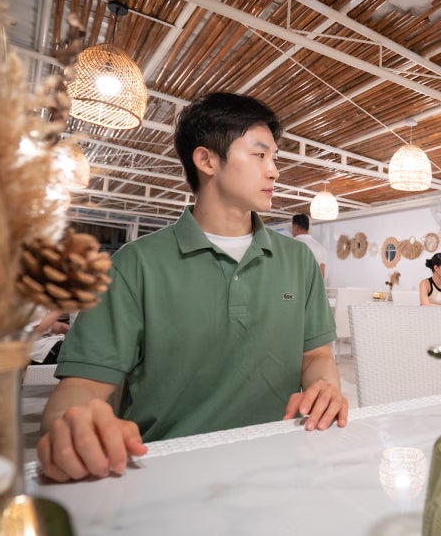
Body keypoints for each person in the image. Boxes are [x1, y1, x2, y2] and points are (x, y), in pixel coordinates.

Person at [38, 92, 348, 482]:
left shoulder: (298, 260)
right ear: (206, 161)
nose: (274, 171)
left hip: (283, 463)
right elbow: (82, 387)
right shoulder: (135, 264)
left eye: (274, 158)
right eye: (259, 155)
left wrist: (324, 385)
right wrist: (73, 425)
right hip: (164, 472)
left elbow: (316, 355)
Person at [291, 213, 325, 278]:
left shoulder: (290, 244)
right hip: (312, 286)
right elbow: (321, 275)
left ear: (296, 228)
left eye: (292, 227)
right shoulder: (320, 247)